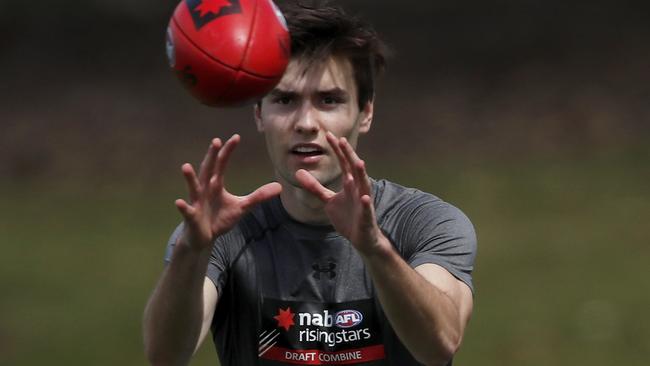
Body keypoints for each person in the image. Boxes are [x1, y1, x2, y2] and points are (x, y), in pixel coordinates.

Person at [143, 2, 477, 365]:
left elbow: (440, 343)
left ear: (365, 113)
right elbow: (166, 355)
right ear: (259, 114)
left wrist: (375, 249)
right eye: (285, 100)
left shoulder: (425, 223)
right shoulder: (220, 237)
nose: (306, 122)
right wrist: (192, 252)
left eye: (329, 100)